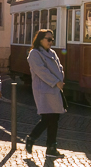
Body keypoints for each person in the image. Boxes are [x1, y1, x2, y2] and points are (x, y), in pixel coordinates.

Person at [25, 29, 66, 159]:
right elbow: (41, 71)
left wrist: (61, 78)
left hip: (54, 89)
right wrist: (56, 81)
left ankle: (51, 147)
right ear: (40, 39)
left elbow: (60, 67)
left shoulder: (52, 53)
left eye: (52, 40)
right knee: (48, 118)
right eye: (48, 39)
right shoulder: (34, 54)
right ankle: (32, 138)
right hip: (44, 90)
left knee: (55, 118)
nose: (50, 42)